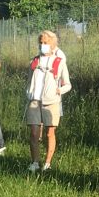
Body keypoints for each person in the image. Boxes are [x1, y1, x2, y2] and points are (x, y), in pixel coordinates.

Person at [25, 31, 72, 172]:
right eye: (41, 42)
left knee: (49, 133)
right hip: (34, 101)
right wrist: (28, 92)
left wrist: (60, 91)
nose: (42, 45)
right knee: (34, 133)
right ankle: (34, 162)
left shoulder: (59, 61)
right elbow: (28, 80)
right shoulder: (34, 61)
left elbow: (68, 84)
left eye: (46, 43)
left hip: (51, 101)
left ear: (52, 44)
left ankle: (47, 163)